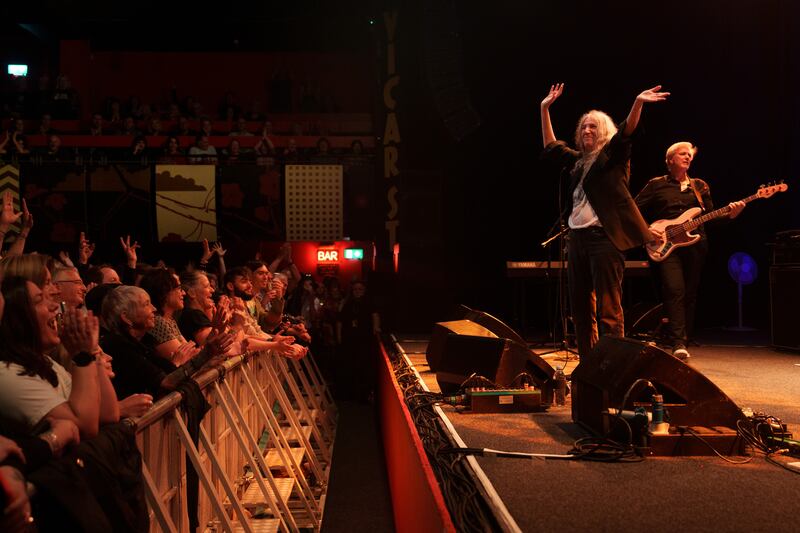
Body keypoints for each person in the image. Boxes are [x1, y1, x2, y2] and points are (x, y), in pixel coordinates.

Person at [539, 83, 668, 358]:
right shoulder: (577, 162)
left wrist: (638, 103)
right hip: (578, 239)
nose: (587, 130)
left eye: (593, 127)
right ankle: (589, 366)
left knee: (608, 307)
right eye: (584, 126)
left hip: (604, 239)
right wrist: (544, 108)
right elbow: (551, 147)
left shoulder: (613, 158)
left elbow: (626, 133)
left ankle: (612, 366)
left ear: (604, 132)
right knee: (580, 309)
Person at [635, 142, 745, 360]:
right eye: (682, 154)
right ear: (670, 160)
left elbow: (710, 217)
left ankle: (683, 339)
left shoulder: (700, 186)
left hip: (696, 244)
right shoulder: (656, 185)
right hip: (667, 245)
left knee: (690, 293)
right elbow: (633, 210)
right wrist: (647, 231)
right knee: (674, 289)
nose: (688, 157)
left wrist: (732, 214)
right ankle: (677, 342)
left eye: (690, 155)